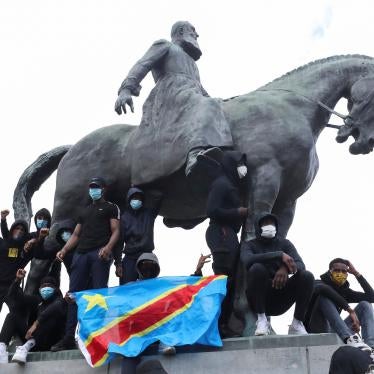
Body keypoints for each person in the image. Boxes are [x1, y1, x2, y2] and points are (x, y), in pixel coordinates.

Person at [114, 21, 233, 185]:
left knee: (215, 104)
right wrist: (126, 90)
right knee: (208, 104)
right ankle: (195, 154)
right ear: (182, 30)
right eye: (193, 30)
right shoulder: (165, 46)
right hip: (171, 93)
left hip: (192, 94)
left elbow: (200, 90)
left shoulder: (192, 64)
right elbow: (142, 64)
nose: (196, 35)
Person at [51, 177, 120, 351]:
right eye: (91, 187)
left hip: (99, 253)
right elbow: (75, 235)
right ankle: (68, 337)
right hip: (80, 254)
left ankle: (97, 336)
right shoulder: (84, 210)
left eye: (96, 187)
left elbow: (116, 231)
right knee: (73, 295)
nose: (93, 190)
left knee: (98, 295)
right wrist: (65, 250)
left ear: (103, 189)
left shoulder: (111, 207)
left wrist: (108, 247)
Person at [240, 213, 314, 336]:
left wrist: (285, 268)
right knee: (257, 268)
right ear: (258, 227)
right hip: (259, 299)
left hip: (281, 296)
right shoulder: (249, 245)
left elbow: (300, 264)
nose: (269, 226)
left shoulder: (285, 243)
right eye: (265, 224)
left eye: (272, 223)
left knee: (307, 276)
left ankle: (297, 324)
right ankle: (262, 320)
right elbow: (247, 260)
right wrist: (279, 255)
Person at [205, 150, 248, 337]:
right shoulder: (221, 184)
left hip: (229, 233)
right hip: (220, 231)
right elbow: (211, 210)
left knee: (231, 279)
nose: (242, 168)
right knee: (224, 279)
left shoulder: (231, 184)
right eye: (239, 164)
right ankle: (219, 324)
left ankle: (226, 323)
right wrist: (237, 212)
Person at [305, 258, 374, 350]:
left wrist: (356, 273)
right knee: (324, 296)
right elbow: (323, 289)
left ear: (347, 274)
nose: (340, 273)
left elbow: (371, 297)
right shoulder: (318, 283)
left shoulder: (345, 292)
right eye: (337, 270)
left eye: (344, 271)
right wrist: (349, 310)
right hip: (316, 329)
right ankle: (350, 338)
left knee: (365, 305)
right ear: (330, 272)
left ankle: (370, 347)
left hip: (336, 329)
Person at [0, 269, 66, 364]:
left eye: (49, 286)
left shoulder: (60, 301)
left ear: (55, 289)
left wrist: (36, 322)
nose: (45, 288)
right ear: (39, 289)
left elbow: (54, 309)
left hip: (50, 341)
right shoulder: (37, 300)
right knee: (12, 316)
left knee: (50, 317)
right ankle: (2, 349)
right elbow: (14, 297)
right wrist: (17, 280)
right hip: (32, 338)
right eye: (43, 286)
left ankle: (26, 347)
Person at [117, 187, 162, 284]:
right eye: (134, 198)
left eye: (139, 198)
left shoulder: (149, 214)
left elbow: (159, 197)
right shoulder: (124, 218)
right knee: (126, 289)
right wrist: (118, 264)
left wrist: (144, 184)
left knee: (149, 288)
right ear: (129, 200)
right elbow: (119, 243)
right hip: (130, 257)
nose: (136, 200)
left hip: (147, 257)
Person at [0, 219, 30, 313]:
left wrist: (36, 239)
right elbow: (5, 233)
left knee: (19, 312)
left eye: (22, 230)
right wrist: (3, 220)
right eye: (17, 228)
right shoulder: (3, 243)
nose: (19, 231)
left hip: (13, 286)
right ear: (12, 230)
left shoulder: (25, 248)